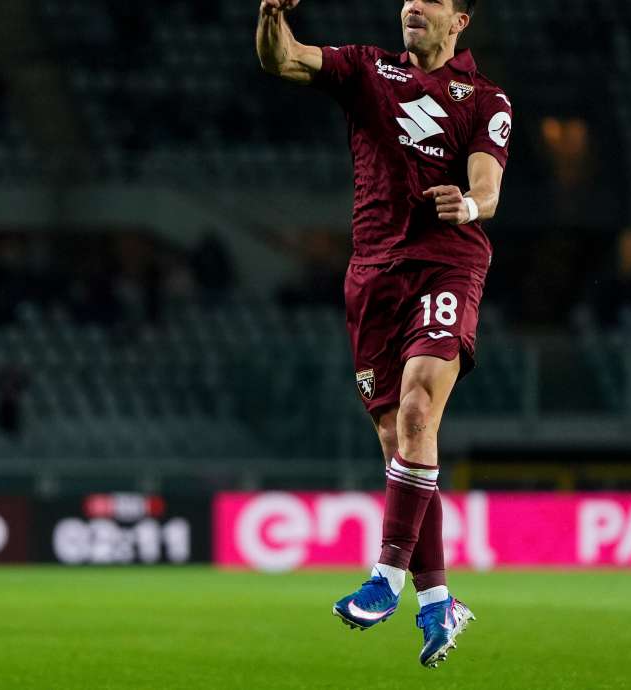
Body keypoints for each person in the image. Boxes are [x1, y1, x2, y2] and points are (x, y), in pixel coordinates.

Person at [256, 0, 512, 669]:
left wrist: (472, 204)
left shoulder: (484, 98)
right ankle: (438, 603)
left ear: (460, 20)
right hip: (372, 278)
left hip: (447, 262)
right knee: (401, 441)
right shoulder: (367, 69)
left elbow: (488, 184)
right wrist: (269, 18)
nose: (410, 6)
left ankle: (385, 579)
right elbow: (283, 58)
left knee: (422, 407)